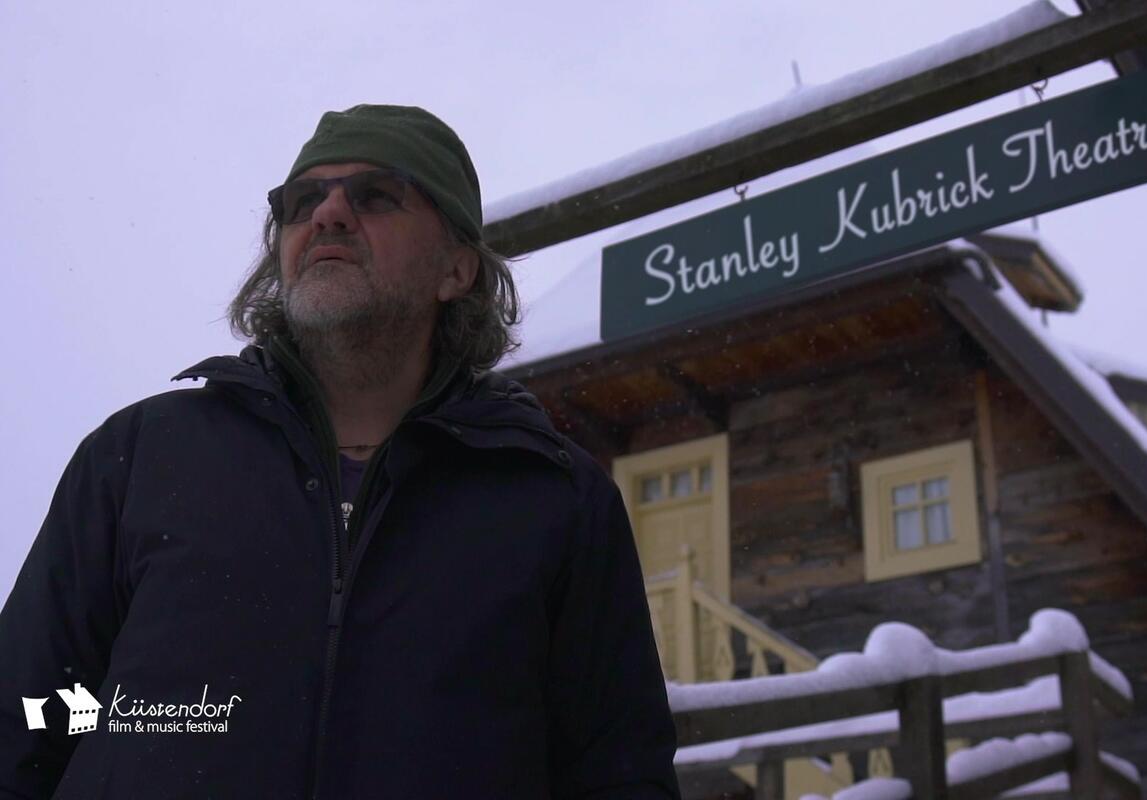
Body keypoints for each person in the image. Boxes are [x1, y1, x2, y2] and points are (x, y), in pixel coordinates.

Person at [0, 105, 681, 799]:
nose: (327, 215)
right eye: (302, 202)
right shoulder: (142, 457)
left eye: (376, 196)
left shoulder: (555, 500)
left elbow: (620, 775)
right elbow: (21, 719)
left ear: (457, 270)